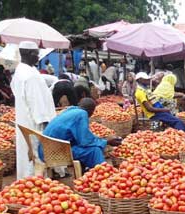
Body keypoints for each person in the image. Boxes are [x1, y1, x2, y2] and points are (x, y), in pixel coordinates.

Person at [11, 41, 56, 180]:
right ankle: (34, 184)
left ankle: (26, 182)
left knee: (26, 153)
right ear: (30, 54)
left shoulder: (20, 71)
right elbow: (37, 103)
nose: (38, 58)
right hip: (34, 123)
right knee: (35, 155)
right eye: (37, 55)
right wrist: (47, 124)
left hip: (24, 119)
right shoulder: (31, 76)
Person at [41, 98, 121, 172]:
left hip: (45, 150)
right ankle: (103, 173)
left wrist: (101, 139)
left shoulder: (71, 110)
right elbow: (85, 141)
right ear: (91, 111)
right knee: (94, 150)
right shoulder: (82, 114)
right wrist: (107, 141)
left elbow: (80, 137)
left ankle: (88, 172)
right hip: (56, 153)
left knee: (87, 147)